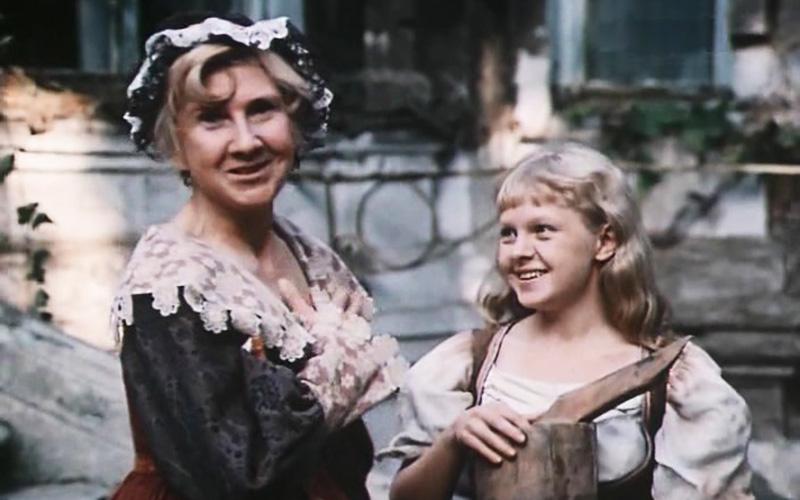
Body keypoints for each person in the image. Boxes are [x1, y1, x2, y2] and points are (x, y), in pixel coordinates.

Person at [110, 12, 406, 500]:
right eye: (212, 117)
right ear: (176, 142)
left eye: (263, 110)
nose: (246, 142)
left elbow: (347, 455)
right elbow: (238, 480)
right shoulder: (171, 287)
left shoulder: (308, 256)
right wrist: (331, 373)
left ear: (295, 123)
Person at [383, 143, 753, 499]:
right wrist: (454, 438)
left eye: (542, 230)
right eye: (508, 233)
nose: (519, 251)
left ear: (604, 241)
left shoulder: (673, 379)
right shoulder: (467, 364)